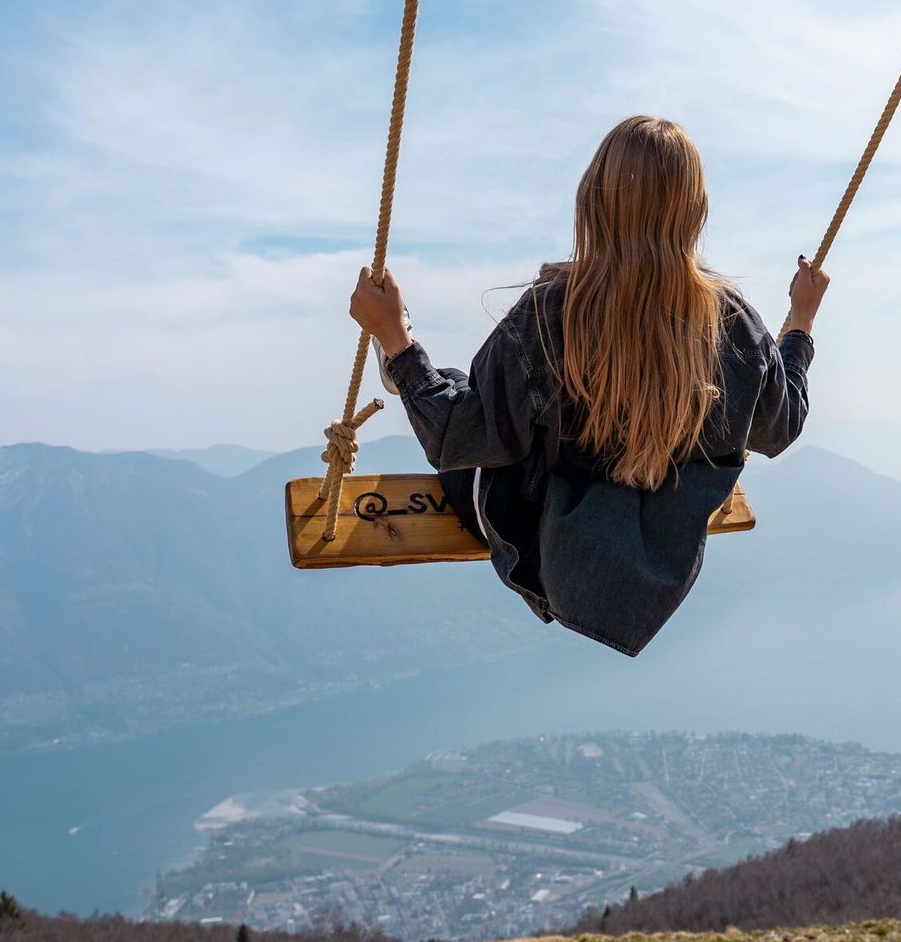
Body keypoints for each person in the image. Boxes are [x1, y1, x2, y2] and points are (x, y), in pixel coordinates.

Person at [347, 114, 829, 655]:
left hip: (547, 543)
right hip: (657, 556)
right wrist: (800, 323)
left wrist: (394, 339)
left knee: (462, 400)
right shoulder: (732, 324)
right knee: (487, 399)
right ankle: (417, 371)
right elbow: (779, 425)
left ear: (593, 201)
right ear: (694, 211)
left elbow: (459, 435)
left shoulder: (553, 315)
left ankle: (406, 367)